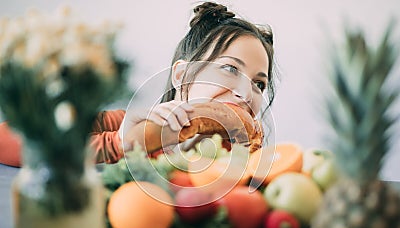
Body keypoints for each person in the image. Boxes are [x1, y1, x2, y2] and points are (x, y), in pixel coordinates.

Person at [0, 1, 275, 167]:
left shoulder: (244, 158)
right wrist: (119, 144)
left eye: (259, 84)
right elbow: (11, 138)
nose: (244, 92)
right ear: (182, 76)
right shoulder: (127, 125)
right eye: (229, 69)